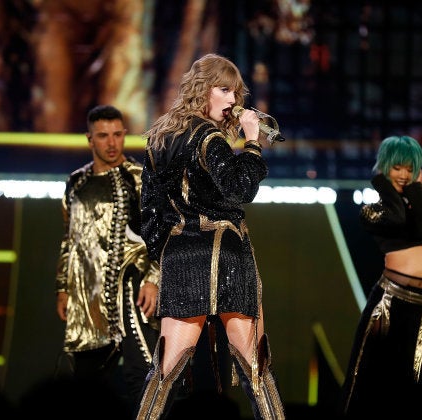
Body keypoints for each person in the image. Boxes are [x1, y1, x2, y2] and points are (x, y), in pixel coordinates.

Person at [135, 53, 286, 419]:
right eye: (224, 90)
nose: (233, 100)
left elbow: (149, 210)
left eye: (236, 92)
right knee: (254, 364)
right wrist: (252, 143)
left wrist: (168, 252)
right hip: (225, 254)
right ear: (203, 89)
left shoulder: (160, 137)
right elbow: (240, 187)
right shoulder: (207, 136)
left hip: (181, 257)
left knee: (166, 370)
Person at [339, 135, 422, 417]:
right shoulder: (372, 211)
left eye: (410, 168)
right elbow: (397, 219)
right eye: (397, 168)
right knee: (377, 387)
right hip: (390, 305)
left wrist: (414, 191)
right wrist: (381, 184)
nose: (404, 174)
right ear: (384, 168)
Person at [54, 105, 160, 416]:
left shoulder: (139, 178)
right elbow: (69, 238)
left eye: (117, 135)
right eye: (103, 136)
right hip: (89, 294)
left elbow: (160, 234)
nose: (112, 143)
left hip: (132, 288)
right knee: (87, 379)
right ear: (90, 139)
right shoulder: (76, 182)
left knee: (142, 372)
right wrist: (63, 287)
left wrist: (153, 279)